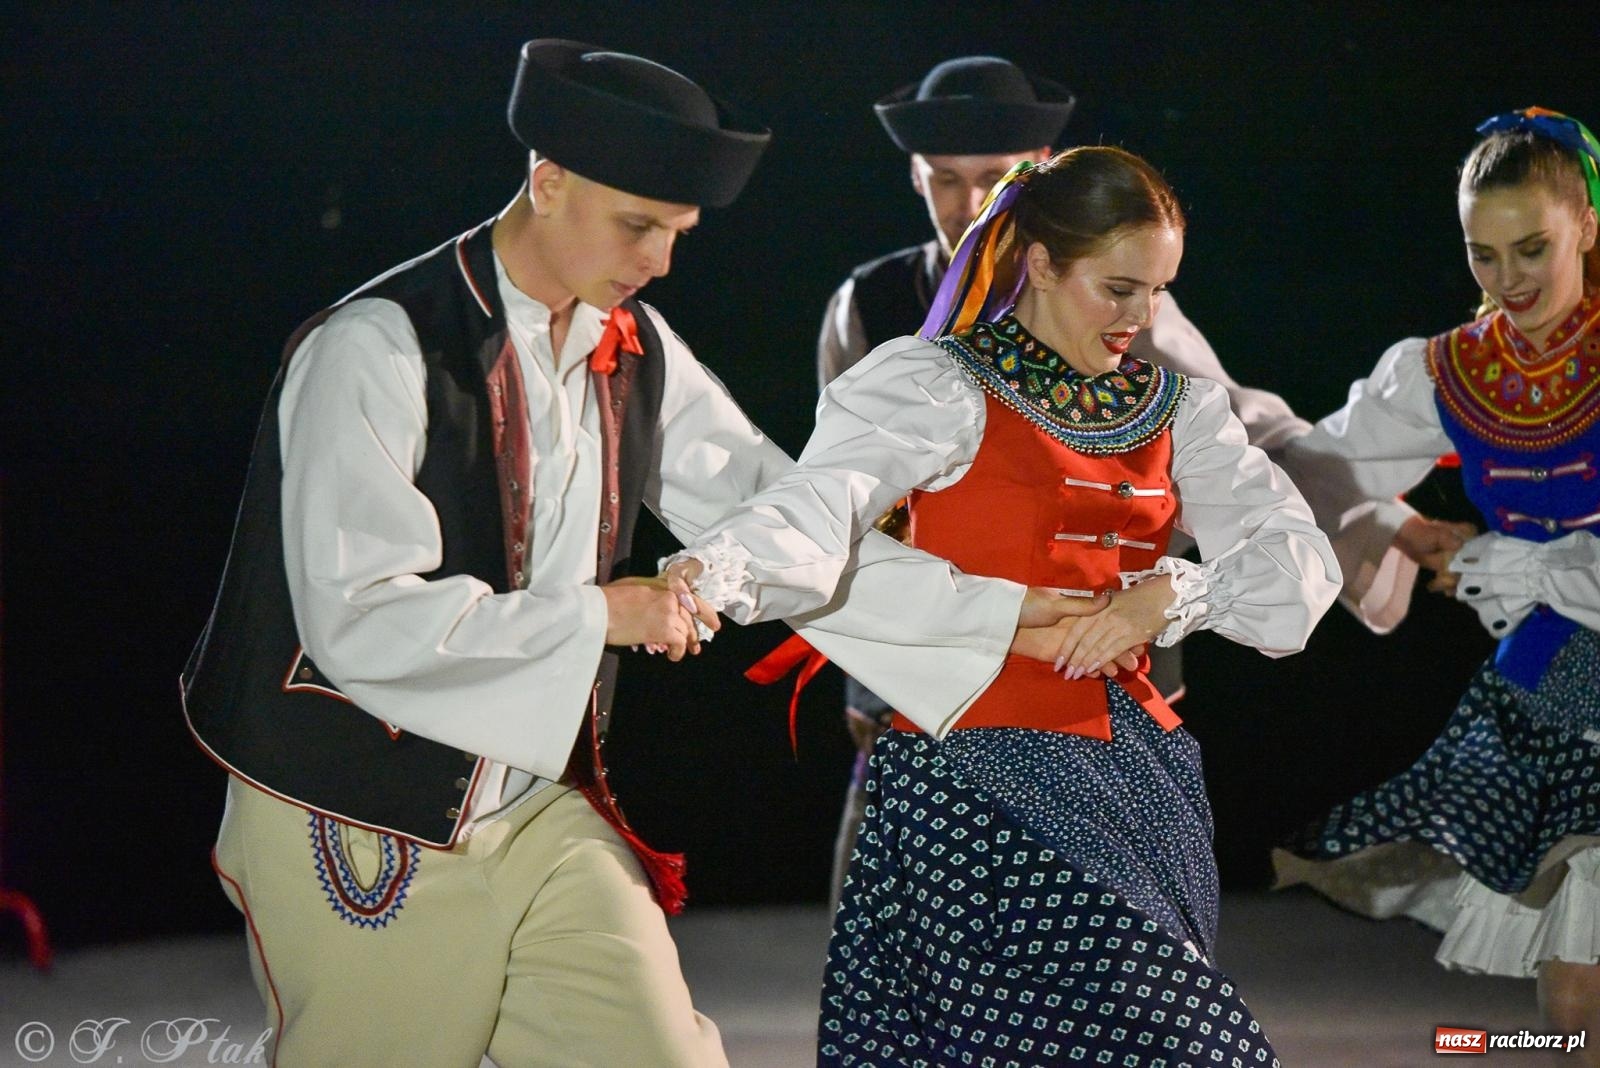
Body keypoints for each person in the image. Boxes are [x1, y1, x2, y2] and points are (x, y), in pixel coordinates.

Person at [178, 39, 1113, 1067]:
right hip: (357, 809)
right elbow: (358, 618)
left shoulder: (638, 347)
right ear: (549, 182)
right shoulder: (376, 346)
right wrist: (602, 613)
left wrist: (990, 613)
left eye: (677, 232)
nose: (660, 260)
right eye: (639, 226)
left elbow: (777, 514)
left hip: (538, 808)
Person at [667, 146, 1341, 1067]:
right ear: (1043, 264)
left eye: (1158, 291)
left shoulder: (1180, 410)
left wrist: (1168, 598)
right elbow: (815, 509)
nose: (1140, 318)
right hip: (973, 780)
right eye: (1118, 289)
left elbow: (1297, 567)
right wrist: (702, 579)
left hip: (1138, 780)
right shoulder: (936, 383)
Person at [814, 55, 1343, 913]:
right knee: (917, 953)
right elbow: (840, 501)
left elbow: (1247, 423)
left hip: (1106, 674)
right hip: (939, 686)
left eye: (990, 179)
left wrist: (1367, 510)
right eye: (942, 180)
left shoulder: (1123, 301)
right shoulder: (872, 303)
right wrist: (869, 676)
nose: (965, 204)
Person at [1272, 107, 1600, 1053]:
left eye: (1531, 247)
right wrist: (1399, 523)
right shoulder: (1451, 373)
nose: (1508, 280)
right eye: (1482, 255)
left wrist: (1502, 562)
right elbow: (1317, 470)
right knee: (1571, 965)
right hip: (1558, 675)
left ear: (1587, 223)